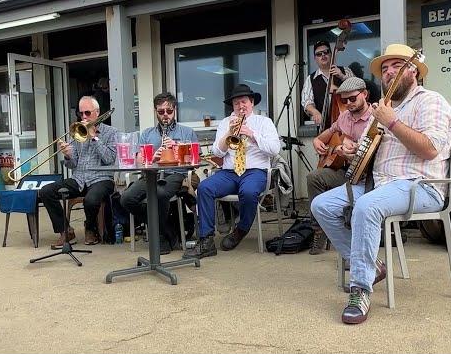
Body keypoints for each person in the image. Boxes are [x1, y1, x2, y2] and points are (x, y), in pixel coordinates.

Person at [311, 44, 451, 324]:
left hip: (420, 185)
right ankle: (372, 267)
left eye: (396, 67)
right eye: (384, 69)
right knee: (322, 205)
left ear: (413, 70)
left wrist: (393, 123)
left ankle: (360, 289)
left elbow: (430, 150)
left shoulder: (431, 101)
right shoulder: (384, 109)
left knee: (366, 205)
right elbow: (369, 147)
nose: (389, 73)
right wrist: (354, 150)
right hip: (380, 184)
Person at [184, 84, 281, 258]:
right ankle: (206, 241)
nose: (240, 106)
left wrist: (251, 134)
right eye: (236, 103)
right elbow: (217, 152)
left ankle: (241, 229)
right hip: (229, 172)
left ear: (252, 103)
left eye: (243, 102)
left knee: (249, 191)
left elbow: (274, 149)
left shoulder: (264, 122)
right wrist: (229, 132)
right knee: (204, 188)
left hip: (255, 170)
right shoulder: (225, 123)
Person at [120, 92, 197, 254]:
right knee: (127, 199)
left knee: (160, 194)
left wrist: (177, 150)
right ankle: (166, 230)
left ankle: (160, 237)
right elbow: (139, 162)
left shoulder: (187, 132)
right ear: (156, 112)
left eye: (169, 111)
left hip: (175, 173)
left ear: (174, 110)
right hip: (151, 174)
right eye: (161, 112)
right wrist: (152, 158)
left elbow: (193, 162)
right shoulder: (147, 133)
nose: (165, 115)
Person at [39, 95, 117, 248]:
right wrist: (68, 155)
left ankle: (90, 228)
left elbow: (109, 158)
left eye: (87, 113)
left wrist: (94, 138)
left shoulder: (111, 132)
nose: (84, 117)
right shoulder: (77, 132)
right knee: (46, 191)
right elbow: (72, 164)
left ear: (97, 112)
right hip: (79, 178)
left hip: (102, 178)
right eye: (81, 114)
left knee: (91, 199)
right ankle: (66, 230)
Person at [307, 76, 372, 255]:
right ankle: (319, 230)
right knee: (314, 177)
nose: (349, 103)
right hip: (348, 174)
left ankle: (360, 249)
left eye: (353, 98)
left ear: (365, 94)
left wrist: (352, 150)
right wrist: (318, 142)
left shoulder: (376, 117)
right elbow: (325, 137)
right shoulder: (344, 118)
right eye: (344, 100)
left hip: (370, 178)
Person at [301, 41, 353, 125]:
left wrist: (342, 76)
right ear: (315, 58)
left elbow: (359, 90)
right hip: (325, 126)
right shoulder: (310, 79)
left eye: (326, 52)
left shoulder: (345, 71)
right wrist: (315, 112)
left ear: (331, 54)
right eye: (319, 54)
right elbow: (307, 102)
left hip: (349, 123)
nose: (323, 55)